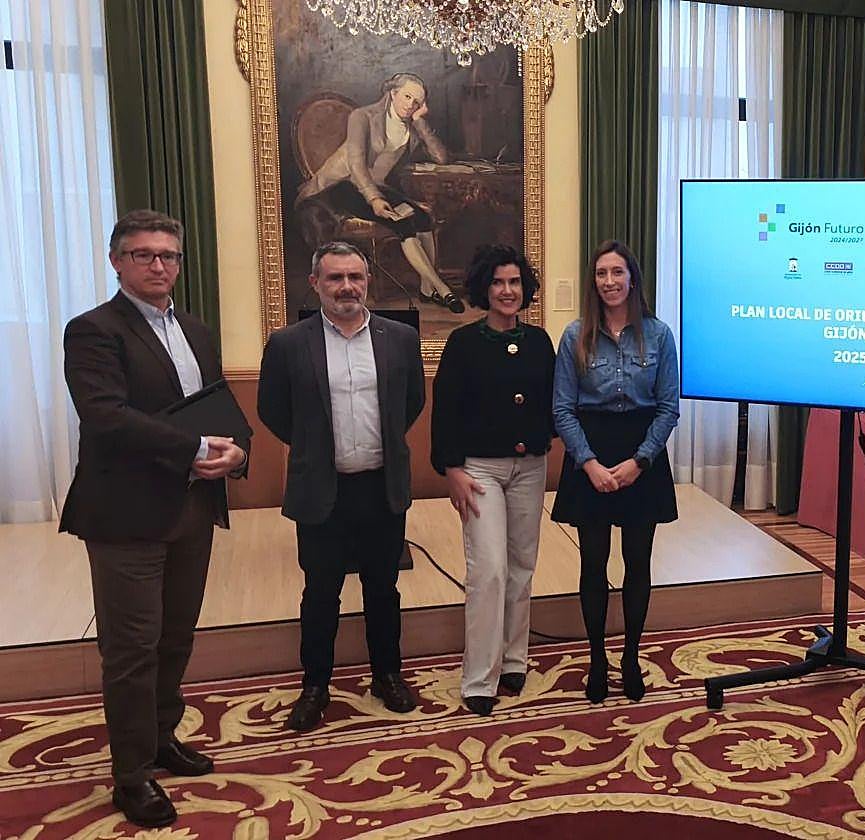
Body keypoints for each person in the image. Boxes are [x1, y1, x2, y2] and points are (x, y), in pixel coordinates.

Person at [61, 209, 249, 828]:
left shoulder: (195, 329)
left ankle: (163, 736)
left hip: (191, 507)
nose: (158, 265)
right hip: (127, 515)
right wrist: (195, 449)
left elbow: (215, 404)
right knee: (131, 650)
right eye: (143, 254)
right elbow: (106, 417)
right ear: (117, 262)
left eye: (168, 255)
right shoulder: (93, 331)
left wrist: (237, 452)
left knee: (175, 637)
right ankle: (132, 774)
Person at [257, 241, 426, 732]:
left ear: (368, 281)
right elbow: (272, 410)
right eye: (335, 278)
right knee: (320, 592)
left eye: (355, 277)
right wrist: (312, 446)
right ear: (315, 283)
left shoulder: (400, 339)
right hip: (321, 489)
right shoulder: (288, 343)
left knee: (383, 589)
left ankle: (387, 675)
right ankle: (315, 686)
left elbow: (411, 402)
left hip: (381, 487)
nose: (347, 287)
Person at [551, 240, 680, 703]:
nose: (609, 281)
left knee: (638, 564)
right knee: (593, 563)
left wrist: (640, 461)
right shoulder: (575, 336)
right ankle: (597, 660)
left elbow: (668, 407)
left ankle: (629, 657)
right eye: (601, 273)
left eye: (617, 272)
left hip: (642, 456)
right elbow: (562, 409)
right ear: (594, 282)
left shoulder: (659, 335)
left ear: (632, 278)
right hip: (590, 453)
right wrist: (588, 463)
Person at [430, 244, 556, 716]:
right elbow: (445, 410)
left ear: (525, 288)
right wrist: (452, 469)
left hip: (530, 468)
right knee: (489, 570)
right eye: (499, 282)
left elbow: (553, 401)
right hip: (479, 470)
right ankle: (480, 677)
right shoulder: (463, 342)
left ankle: (514, 660)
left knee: (522, 567)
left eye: (515, 282)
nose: (507, 290)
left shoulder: (540, 341)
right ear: (485, 288)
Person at [296, 72, 465, 313]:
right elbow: (356, 164)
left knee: (423, 219)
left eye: (417, 101)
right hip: (340, 187)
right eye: (407, 96)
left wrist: (420, 121)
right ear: (393, 93)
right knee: (403, 223)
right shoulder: (362, 116)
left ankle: (428, 289)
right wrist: (374, 199)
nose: (411, 104)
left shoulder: (410, 125)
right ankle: (443, 289)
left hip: (374, 186)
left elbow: (441, 157)